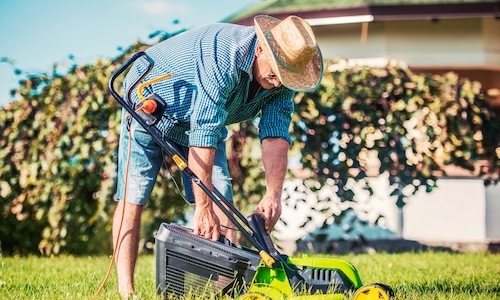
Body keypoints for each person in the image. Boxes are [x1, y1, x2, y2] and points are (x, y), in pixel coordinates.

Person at [112, 14, 323, 298]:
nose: (276, 84)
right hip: (149, 101)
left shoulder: (284, 80)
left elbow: (275, 134)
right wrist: (202, 207)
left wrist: (273, 195)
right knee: (133, 197)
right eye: (273, 74)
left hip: (199, 124)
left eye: (283, 78)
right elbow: (204, 130)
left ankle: (225, 293)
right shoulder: (224, 56)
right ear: (261, 48)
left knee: (223, 202)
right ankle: (127, 291)